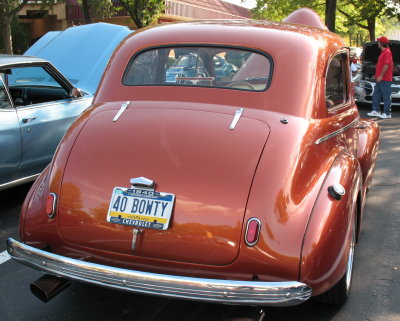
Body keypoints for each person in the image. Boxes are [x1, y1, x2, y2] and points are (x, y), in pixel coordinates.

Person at [367, 36, 394, 119]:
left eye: (379, 42)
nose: (377, 43)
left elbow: (386, 65)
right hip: (379, 78)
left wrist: (381, 76)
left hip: (384, 79)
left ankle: (387, 113)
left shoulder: (387, 52)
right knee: (376, 94)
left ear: (381, 43)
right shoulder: (383, 52)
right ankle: (375, 111)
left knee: (386, 96)